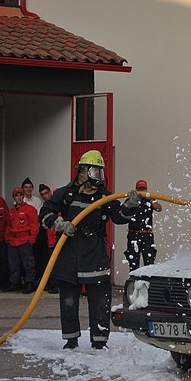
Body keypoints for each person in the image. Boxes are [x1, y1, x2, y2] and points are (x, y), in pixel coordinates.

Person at [39, 149, 140, 350]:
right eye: (95, 172)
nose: (98, 177)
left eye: (100, 172)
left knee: (100, 299)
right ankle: (71, 339)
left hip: (94, 252)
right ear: (83, 172)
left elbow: (119, 217)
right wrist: (60, 223)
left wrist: (130, 206)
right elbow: (45, 211)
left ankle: (99, 341)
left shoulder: (104, 196)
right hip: (68, 250)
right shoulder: (67, 193)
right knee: (68, 299)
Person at [5, 187, 39, 294]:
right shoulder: (11, 211)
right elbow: (8, 226)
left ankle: (29, 282)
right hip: (12, 241)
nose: (19, 197)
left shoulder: (30, 209)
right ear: (14, 197)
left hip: (24, 240)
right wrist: (7, 238)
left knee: (28, 263)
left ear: (23, 196)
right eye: (16, 195)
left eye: (20, 195)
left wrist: (32, 240)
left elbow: (34, 225)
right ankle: (14, 282)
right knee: (13, 263)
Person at [124, 179, 162, 271]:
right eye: (139, 188)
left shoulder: (150, 200)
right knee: (133, 263)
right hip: (133, 234)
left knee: (149, 265)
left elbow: (159, 208)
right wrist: (131, 201)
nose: (141, 190)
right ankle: (133, 284)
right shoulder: (131, 200)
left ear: (146, 189)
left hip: (147, 235)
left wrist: (151, 199)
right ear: (135, 189)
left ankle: (147, 283)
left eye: (143, 188)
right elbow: (124, 210)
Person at [38, 184, 59, 293]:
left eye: (46, 193)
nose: (45, 196)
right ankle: (53, 284)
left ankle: (55, 285)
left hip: (58, 239)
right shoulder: (46, 208)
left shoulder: (58, 205)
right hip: (50, 240)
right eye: (42, 195)